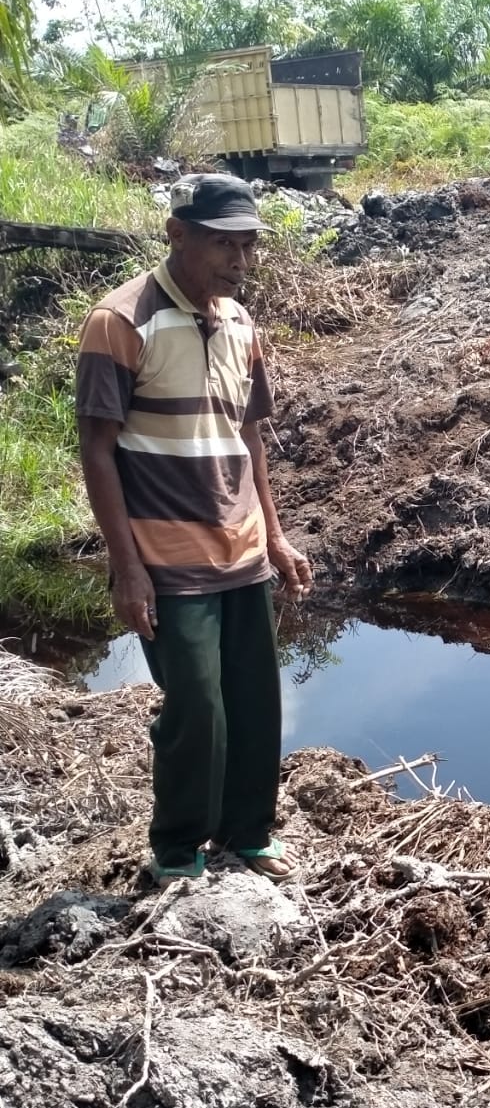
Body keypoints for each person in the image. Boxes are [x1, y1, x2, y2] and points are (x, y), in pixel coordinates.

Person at [76, 173, 312, 887]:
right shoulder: (120, 321)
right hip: (167, 556)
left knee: (254, 701)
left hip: (243, 548)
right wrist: (128, 569)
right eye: (222, 244)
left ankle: (249, 834)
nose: (240, 261)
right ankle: (178, 849)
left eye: (249, 246)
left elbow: (249, 436)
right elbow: (97, 450)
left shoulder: (240, 323)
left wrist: (276, 536)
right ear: (177, 234)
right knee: (197, 708)